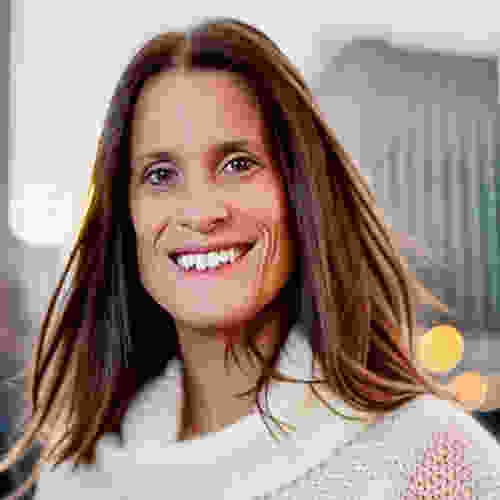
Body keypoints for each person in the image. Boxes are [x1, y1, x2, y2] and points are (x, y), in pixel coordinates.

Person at [1, 16, 499, 499]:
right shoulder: (76, 479)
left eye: (238, 164)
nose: (201, 212)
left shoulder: (432, 462)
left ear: (300, 193)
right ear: (125, 218)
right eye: (160, 175)